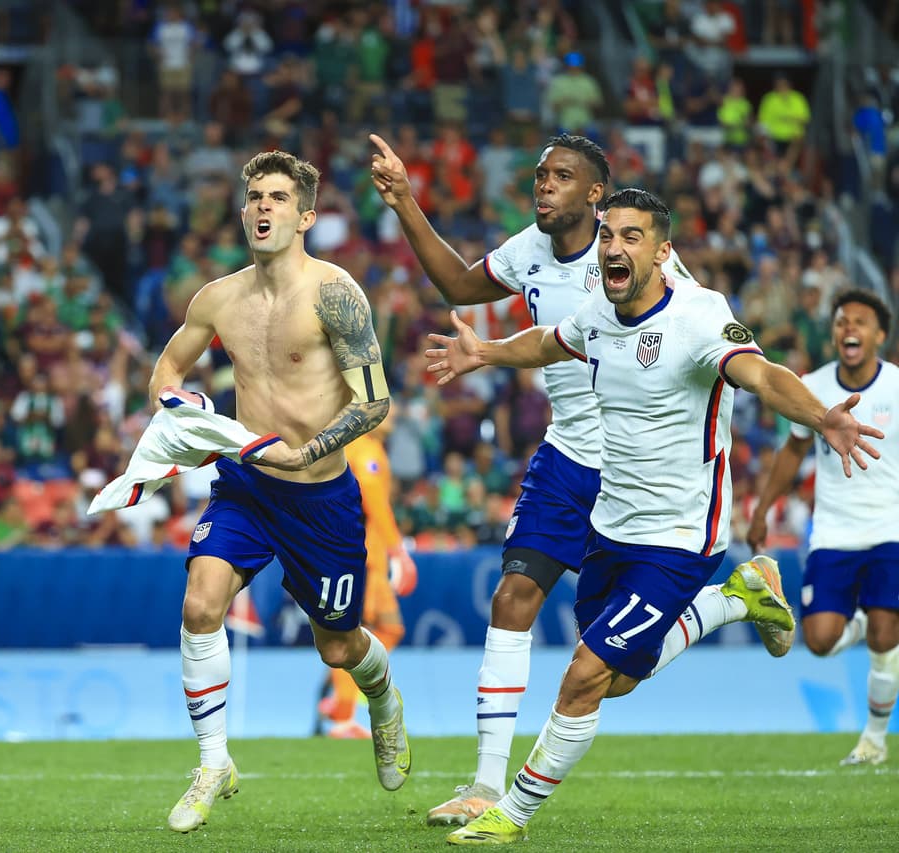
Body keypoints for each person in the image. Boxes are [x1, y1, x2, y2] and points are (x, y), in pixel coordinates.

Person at [424, 189, 882, 845]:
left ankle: (509, 812)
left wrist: (819, 414)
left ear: (663, 251)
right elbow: (552, 343)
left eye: (632, 236)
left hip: (679, 536)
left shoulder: (700, 316)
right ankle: (733, 599)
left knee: (583, 673)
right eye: (609, 234)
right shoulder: (598, 312)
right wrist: (488, 353)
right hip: (610, 526)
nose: (614, 246)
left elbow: (759, 373)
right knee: (616, 680)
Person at [369, 131, 706, 825]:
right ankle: (487, 783)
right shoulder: (526, 248)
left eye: (560, 176)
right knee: (511, 597)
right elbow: (461, 285)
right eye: (539, 174)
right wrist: (404, 199)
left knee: (615, 674)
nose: (542, 185)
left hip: (637, 477)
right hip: (565, 459)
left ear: (594, 193)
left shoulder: (648, 270)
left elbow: (704, 345)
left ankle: (728, 603)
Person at [149, 150, 411, 833]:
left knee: (339, 646)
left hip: (321, 499)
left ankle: (382, 701)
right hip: (246, 487)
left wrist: (312, 448)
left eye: (277, 198)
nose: (264, 207)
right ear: (243, 212)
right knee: (201, 603)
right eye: (255, 197)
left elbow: (375, 401)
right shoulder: (218, 298)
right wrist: (182, 415)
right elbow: (168, 371)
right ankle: (213, 762)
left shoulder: (335, 292)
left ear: (305, 217)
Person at [747, 288, 899, 766]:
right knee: (818, 641)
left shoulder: (897, 386)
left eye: (859, 321)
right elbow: (792, 450)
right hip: (833, 533)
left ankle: (873, 741)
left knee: (884, 636)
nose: (848, 328)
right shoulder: (810, 387)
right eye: (840, 321)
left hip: (890, 528)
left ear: (879, 335)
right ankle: (868, 621)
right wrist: (762, 509)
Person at [318, 409, 418, 738]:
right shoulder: (364, 449)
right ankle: (344, 709)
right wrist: (398, 550)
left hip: (362, 554)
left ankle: (346, 694)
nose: (392, 417)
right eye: (386, 412)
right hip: (364, 556)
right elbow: (375, 504)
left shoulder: (365, 448)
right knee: (370, 630)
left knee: (383, 628)